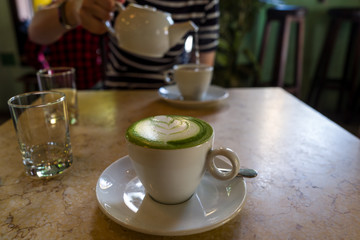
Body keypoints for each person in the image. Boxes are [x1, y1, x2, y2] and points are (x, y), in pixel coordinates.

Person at [28, 0, 219, 89]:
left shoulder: (205, 2)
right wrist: (72, 10)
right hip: (118, 96)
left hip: (172, 96)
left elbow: (204, 67)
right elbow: (35, 31)